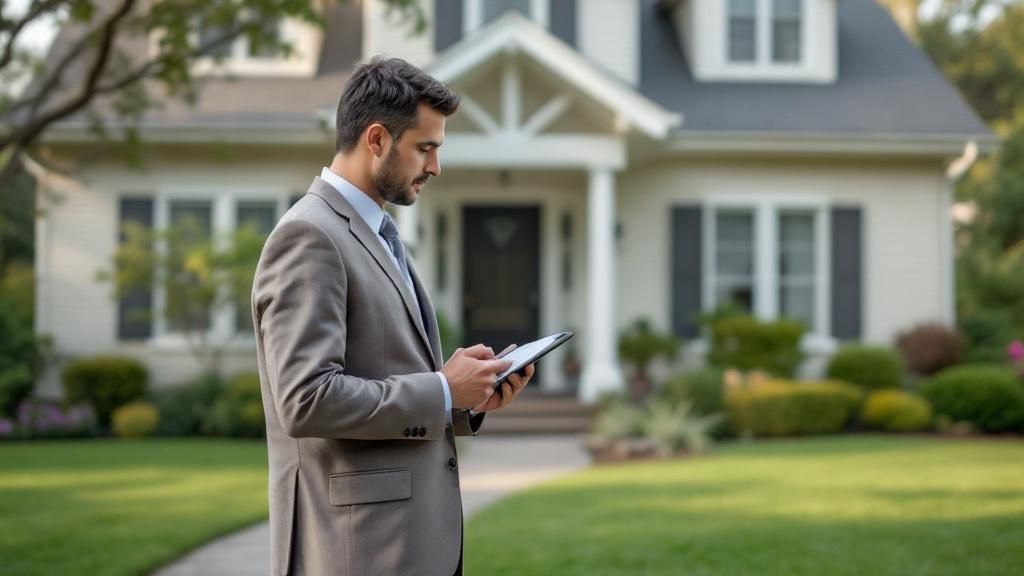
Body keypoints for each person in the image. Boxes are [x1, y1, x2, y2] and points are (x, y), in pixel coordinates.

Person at [251, 56, 534, 576]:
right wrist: (441, 389)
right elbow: (306, 399)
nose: (435, 166)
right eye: (425, 148)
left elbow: (383, 374)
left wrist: (463, 400)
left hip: (405, 544)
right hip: (358, 550)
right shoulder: (310, 236)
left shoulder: (375, 232)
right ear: (377, 139)